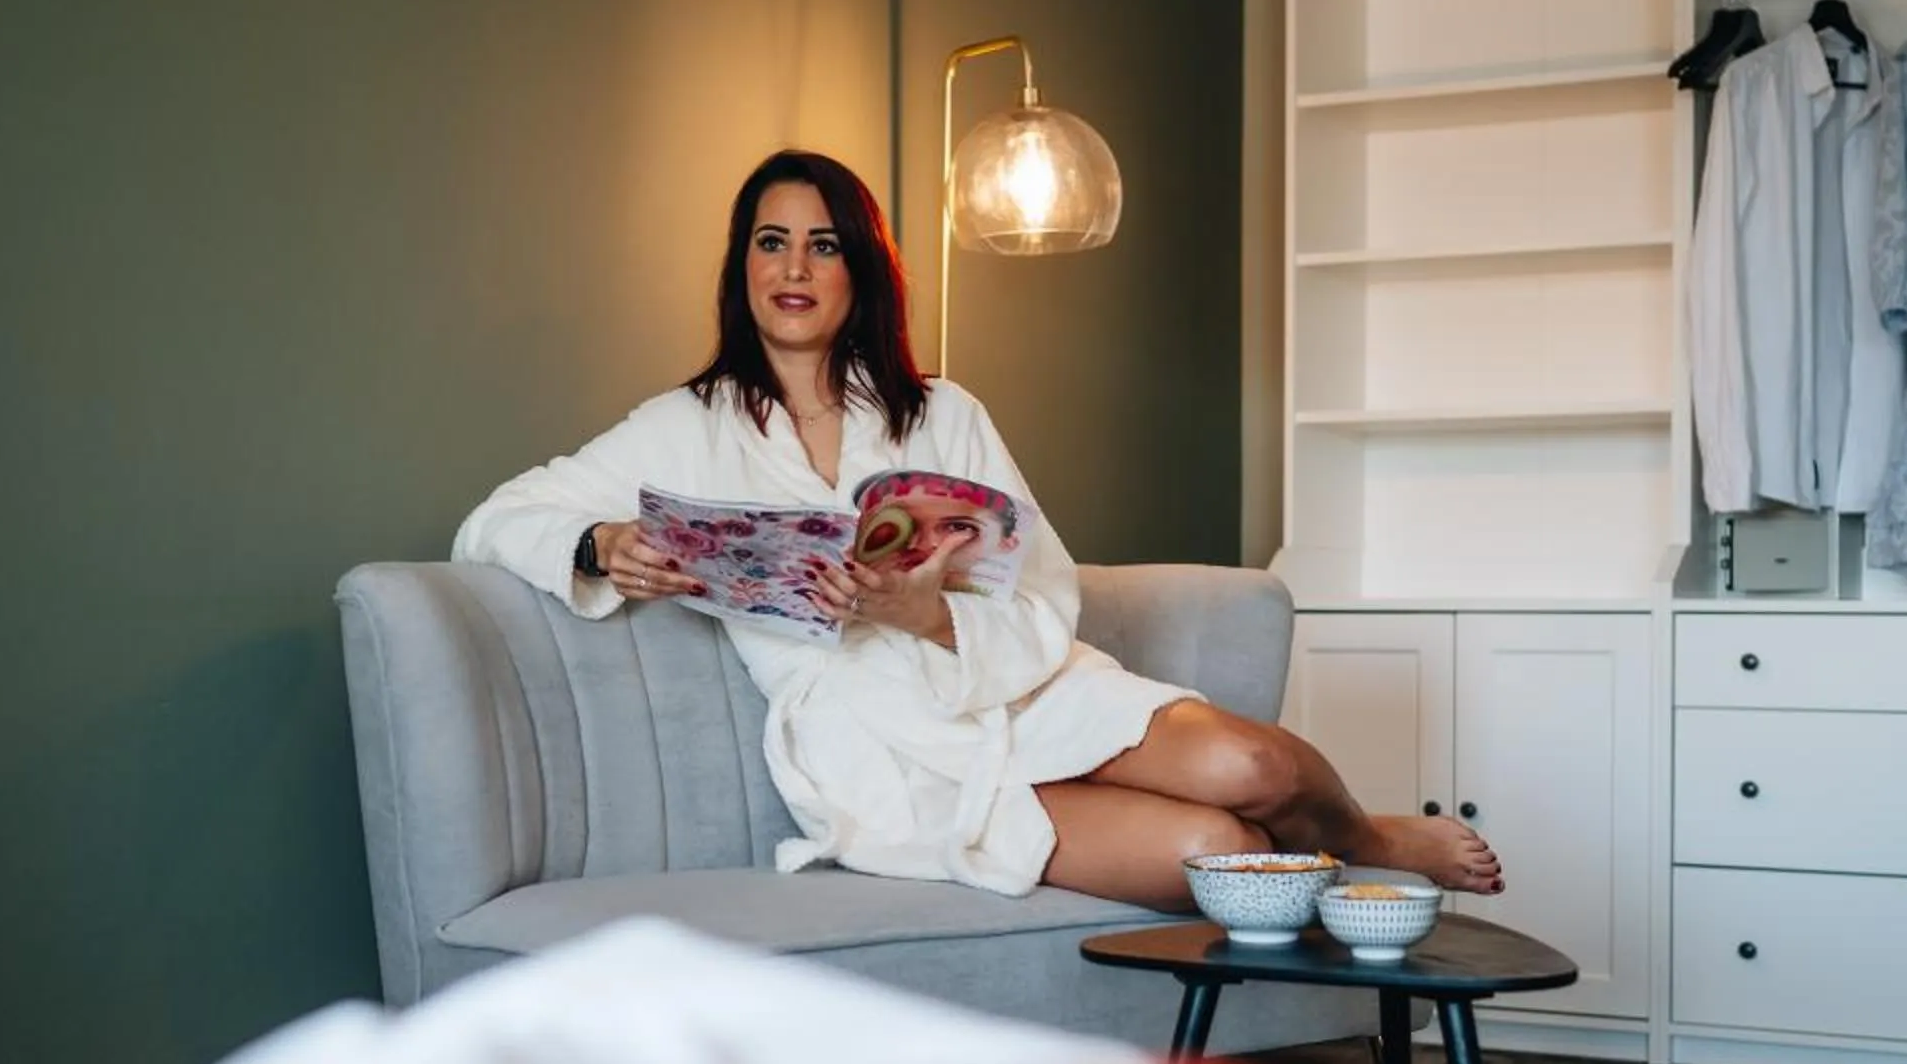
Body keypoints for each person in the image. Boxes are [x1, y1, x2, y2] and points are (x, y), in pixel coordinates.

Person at [453, 151, 1503, 906]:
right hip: (883, 745)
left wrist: (927, 614)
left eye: (823, 245)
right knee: (1217, 851)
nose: (795, 267)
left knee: (1255, 774)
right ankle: (1316, 872)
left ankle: (1375, 839)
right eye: (771, 242)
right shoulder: (682, 429)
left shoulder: (939, 412)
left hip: (1020, 682)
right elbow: (498, 519)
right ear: (742, 266)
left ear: (858, 269)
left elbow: (1037, 586)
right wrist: (599, 545)